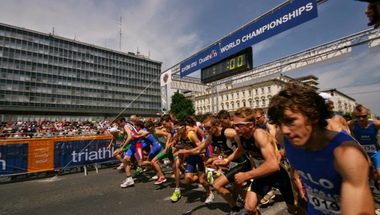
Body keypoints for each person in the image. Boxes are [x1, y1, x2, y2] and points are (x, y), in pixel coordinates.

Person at [268, 84, 374, 214]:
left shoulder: (346, 154)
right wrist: (292, 171)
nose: (284, 130)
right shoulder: (284, 138)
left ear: (313, 116)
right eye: (279, 124)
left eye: (290, 120)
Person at [214, 107, 302, 215]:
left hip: (278, 175)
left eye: (239, 125)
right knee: (249, 208)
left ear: (250, 124)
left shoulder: (259, 135)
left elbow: (274, 165)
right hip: (261, 174)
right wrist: (226, 160)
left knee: (293, 209)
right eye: (235, 125)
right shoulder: (239, 136)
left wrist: (246, 175)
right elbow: (241, 150)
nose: (235, 128)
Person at [176, 115, 251, 214]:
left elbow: (241, 147)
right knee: (236, 188)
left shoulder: (227, 132)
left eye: (208, 128)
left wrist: (226, 160)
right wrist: (184, 152)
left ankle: (236, 209)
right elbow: (199, 149)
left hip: (242, 162)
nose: (206, 131)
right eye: (204, 128)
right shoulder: (212, 136)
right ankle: (249, 204)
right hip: (233, 163)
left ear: (216, 125)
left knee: (217, 185)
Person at [171, 121, 214, 204]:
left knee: (202, 181)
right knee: (188, 181)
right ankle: (203, 175)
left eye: (178, 129)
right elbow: (175, 143)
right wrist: (173, 147)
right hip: (191, 157)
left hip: (199, 156)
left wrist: (184, 152)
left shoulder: (191, 135)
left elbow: (203, 149)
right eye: (175, 129)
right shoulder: (178, 136)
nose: (177, 131)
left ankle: (209, 193)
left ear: (184, 128)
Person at [348, 104, 380, 186]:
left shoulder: (376, 124)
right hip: (361, 153)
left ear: (368, 115)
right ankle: (374, 181)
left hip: (375, 152)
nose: (361, 119)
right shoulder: (351, 124)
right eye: (358, 117)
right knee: (371, 175)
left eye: (364, 116)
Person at [115, 116, 143, 188]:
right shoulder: (126, 125)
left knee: (141, 163)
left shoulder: (126, 126)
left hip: (137, 144)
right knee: (124, 160)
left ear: (123, 121)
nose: (118, 125)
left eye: (119, 123)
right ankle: (129, 179)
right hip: (133, 145)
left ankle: (157, 165)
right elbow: (128, 136)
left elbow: (130, 137)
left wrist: (122, 147)